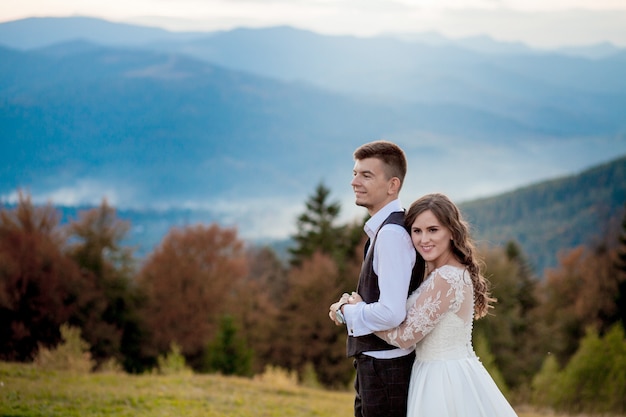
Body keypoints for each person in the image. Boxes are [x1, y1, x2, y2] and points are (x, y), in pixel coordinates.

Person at [347, 193, 519, 416]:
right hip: (434, 372)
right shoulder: (438, 272)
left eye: (433, 230)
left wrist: (355, 311)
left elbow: (404, 337)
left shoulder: (446, 278)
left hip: (443, 380)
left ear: (451, 232)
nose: (423, 239)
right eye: (417, 231)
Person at [328, 140, 423, 417]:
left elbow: (392, 313)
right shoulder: (387, 229)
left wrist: (347, 311)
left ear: (392, 185)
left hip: (385, 369)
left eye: (366, 175)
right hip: (382, 367)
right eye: (355, 173)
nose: (354, 181)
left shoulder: (392, 235)